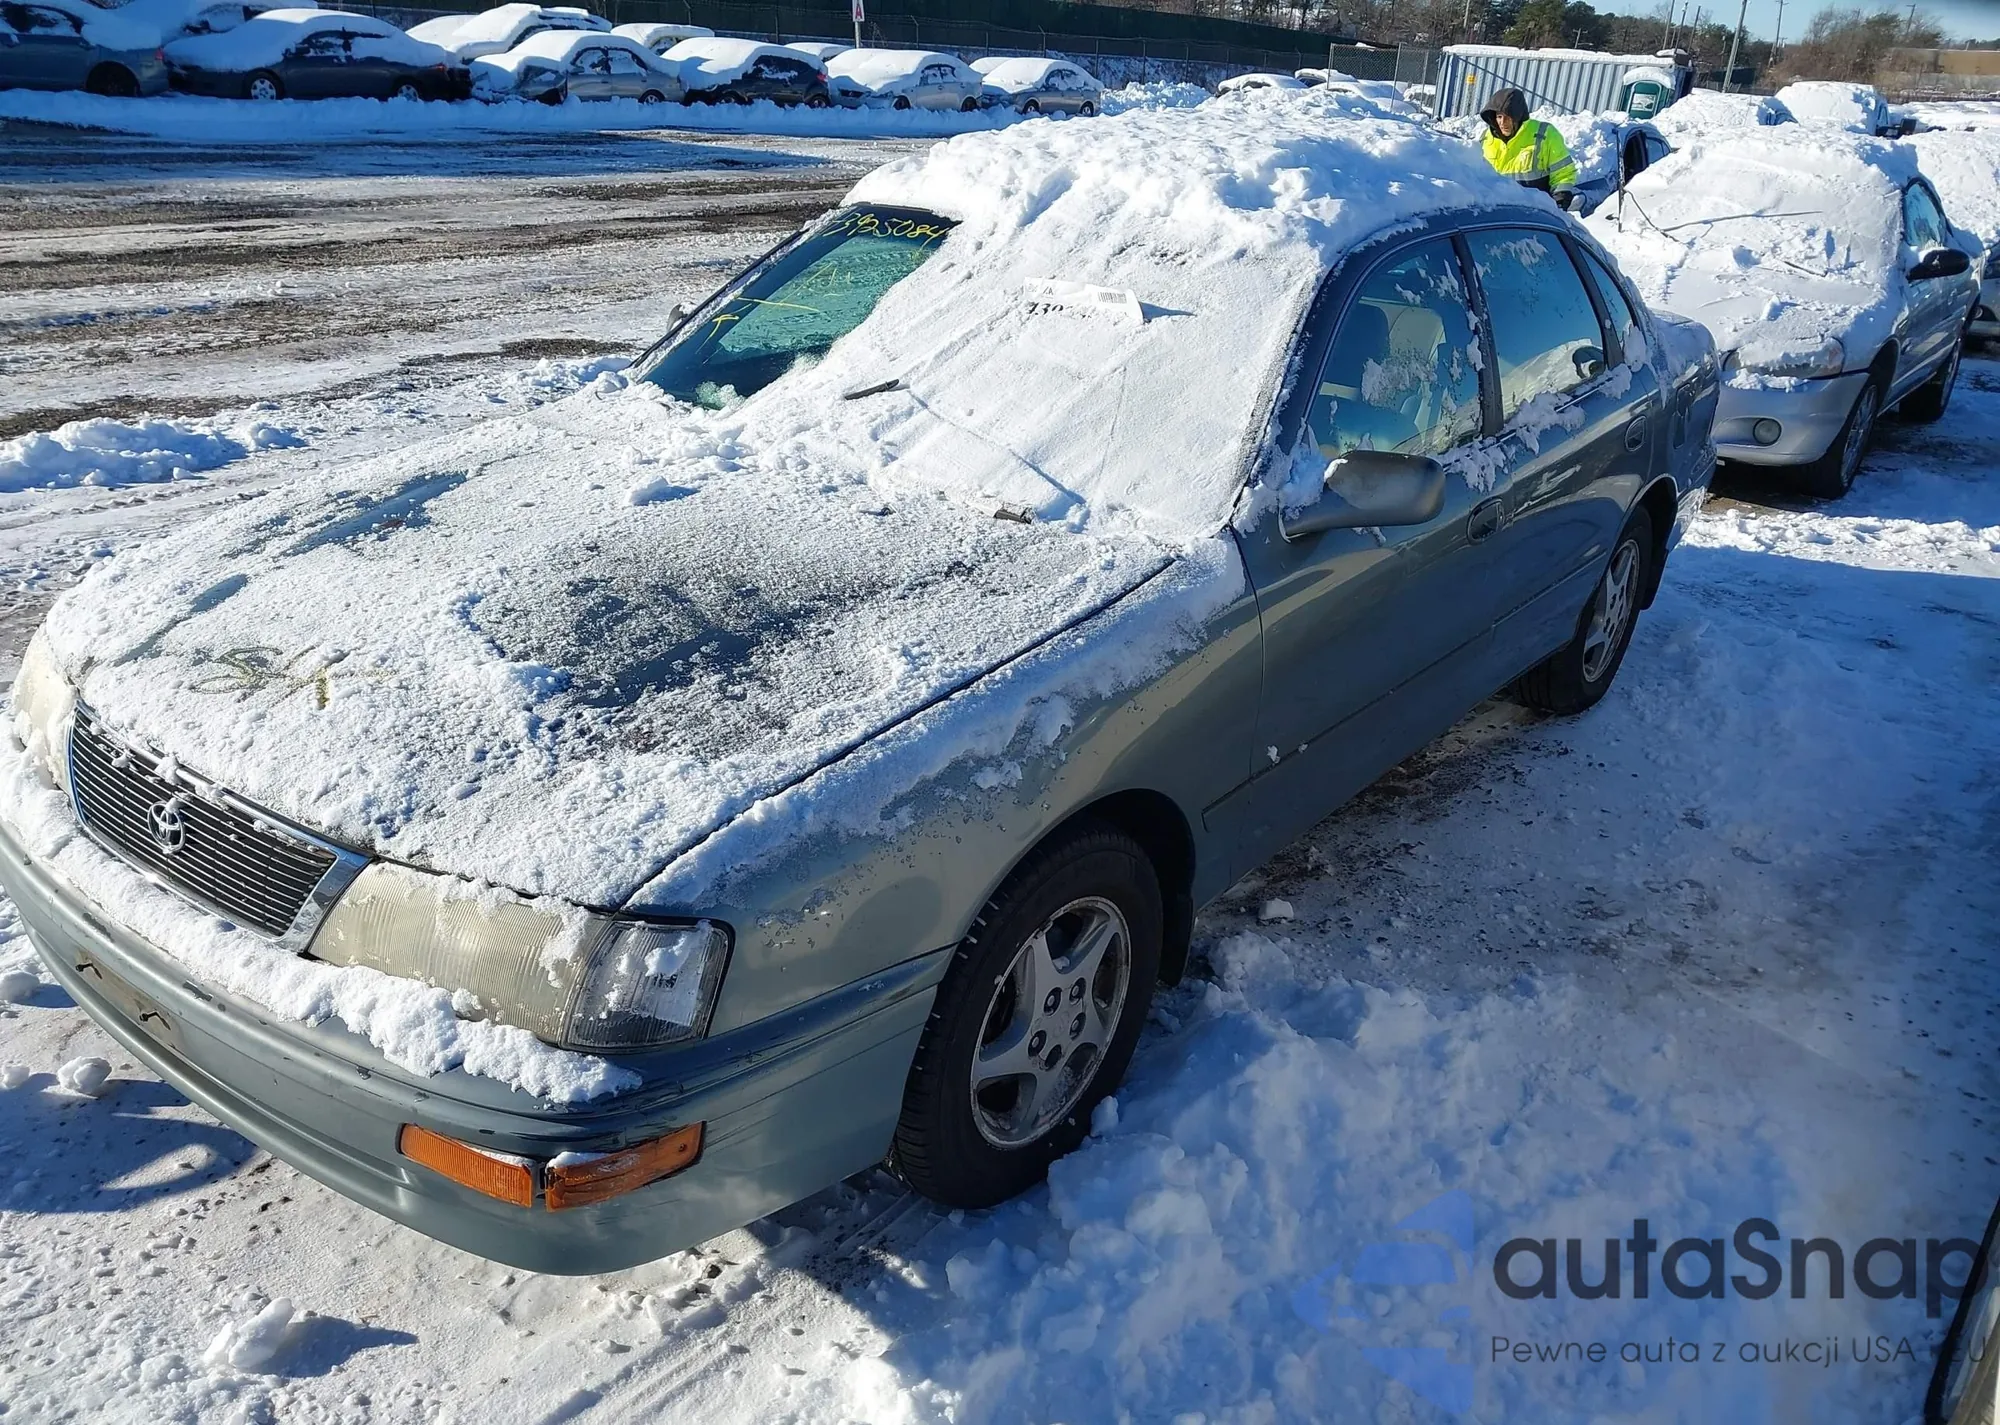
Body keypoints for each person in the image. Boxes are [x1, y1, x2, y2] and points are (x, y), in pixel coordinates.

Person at [1479, 88, 1579, 206]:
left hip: (1535, 210)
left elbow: (1563, 173)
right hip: (1495, 210)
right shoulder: (1486, 138)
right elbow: (1477, 176)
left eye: (1508, 116)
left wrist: (1561, 198)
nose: (1502, 122)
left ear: (1518, 116)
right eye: (1499, 116)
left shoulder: (1545, 134)